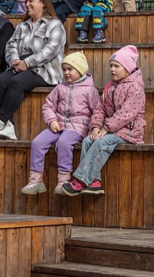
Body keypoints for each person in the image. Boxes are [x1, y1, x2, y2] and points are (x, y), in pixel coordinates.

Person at [57, 45, 145, 197]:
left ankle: (80, 180)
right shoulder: (110, 87)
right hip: (111, 130)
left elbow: (126, 114)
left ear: (127, 68)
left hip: (129, 132)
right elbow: (100, 109)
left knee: (101, 143)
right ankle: (94, 183)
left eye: (116, 66)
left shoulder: (135, 87)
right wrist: (96, 127)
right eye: (111, 66)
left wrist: (107, 129)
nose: (112, 69)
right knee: (87, 141)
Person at [0, 0, 65, 139]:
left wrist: (27, 62)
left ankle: (0, 122)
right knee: (0, 82)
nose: (27, 4)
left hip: (45, 69)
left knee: (17, 82)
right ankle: (8, 126)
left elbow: (50, 50)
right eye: (26, 1)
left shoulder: (55, 25)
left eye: (31, 0)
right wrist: (15, 60)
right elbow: (10, 45)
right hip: (20, 66)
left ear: (43, 4)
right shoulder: (22, 26)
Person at [21, 51, 100, 195]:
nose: (67, 72)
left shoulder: (90, 90)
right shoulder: (60, 88)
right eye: (64, 69)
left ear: (81, 70)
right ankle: (36, 180)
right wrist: (52, 121)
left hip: (77, 127)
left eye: (70, 69)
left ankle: (64, 179)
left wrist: (94, 127)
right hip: (57, 125)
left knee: (63, 143)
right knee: (37, 142)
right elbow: (48, 106)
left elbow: (97, 111)